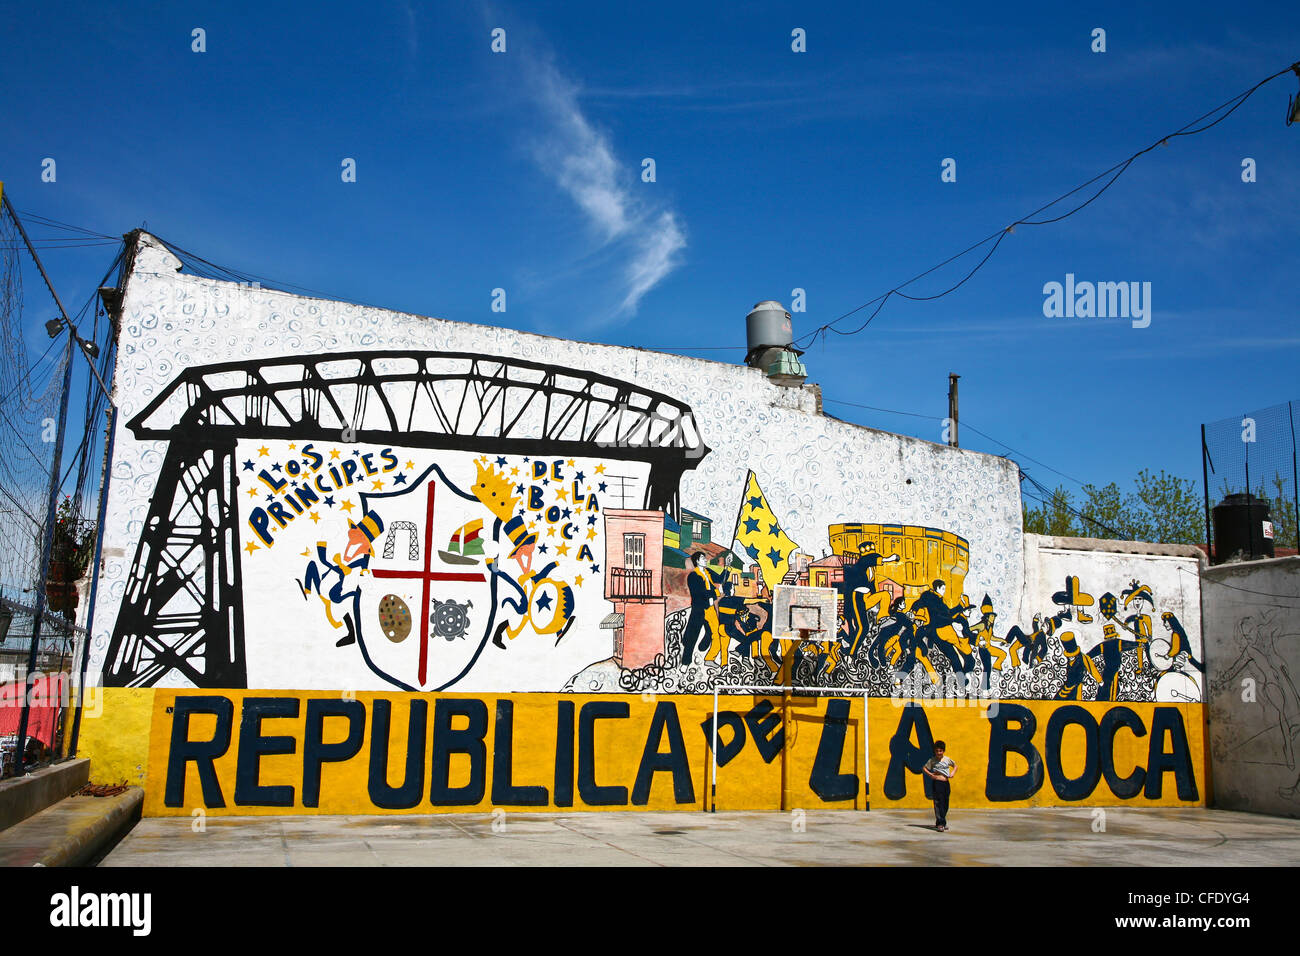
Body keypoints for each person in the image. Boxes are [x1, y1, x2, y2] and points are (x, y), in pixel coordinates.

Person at [921, 740, 956, 831]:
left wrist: (952, 773)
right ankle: (940, 823)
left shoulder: (947, 759)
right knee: (938, 803)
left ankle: (941, 822)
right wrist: (931, 775)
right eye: (937, 751)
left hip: (946, 783)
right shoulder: (932, 760)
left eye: (940, 751)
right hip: (937, 783)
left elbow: (955, 766)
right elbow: (924, 768)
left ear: (943, 751)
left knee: (945, 803)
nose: (938, 753)